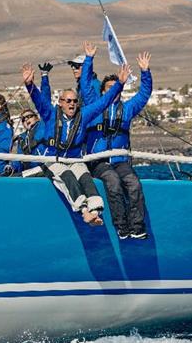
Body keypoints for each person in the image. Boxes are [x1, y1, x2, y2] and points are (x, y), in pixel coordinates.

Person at [23, 61, 128, 225]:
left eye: (74, 101)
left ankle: (95, 211)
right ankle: (84, 211)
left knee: (86, 177)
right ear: (60, 102)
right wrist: (29, 84)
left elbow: (103, 102)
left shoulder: (84, 115)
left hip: (74, 159)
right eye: (68, 101)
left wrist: (119, 84)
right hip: (53, 159)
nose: (71, 104)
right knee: (67, 176)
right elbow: (39, 100)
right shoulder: (50, 115)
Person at [80, 41, 153, 239]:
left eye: (117, 86)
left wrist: (145, 72)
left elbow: (144, 94)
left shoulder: (128, 109)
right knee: (112, 182)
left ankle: (137, 227)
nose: (114, 90)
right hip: (99, 162)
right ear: (103, 92)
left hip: (120, 162)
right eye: (110, 87)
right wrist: (89, 59)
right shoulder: (95, 106)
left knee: (134, 184)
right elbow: (85, 85)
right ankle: (121, 226)